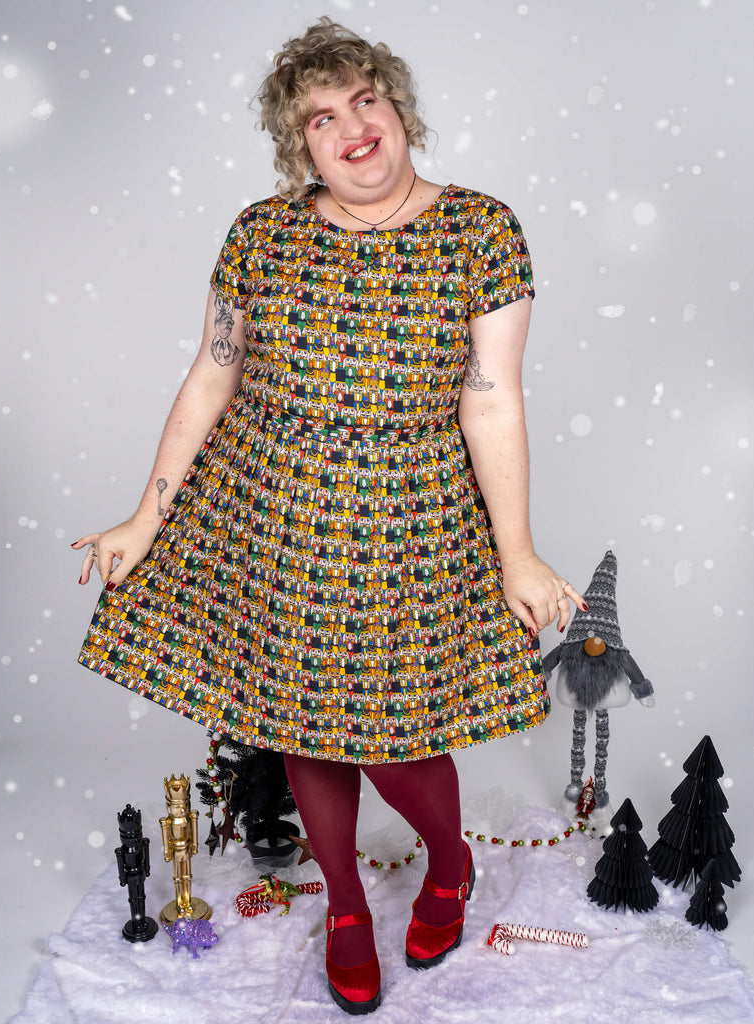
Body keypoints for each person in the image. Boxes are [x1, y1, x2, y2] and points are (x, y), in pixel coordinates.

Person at [73, 18, 585, 1015]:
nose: (350, 128)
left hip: (410, 527)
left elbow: (492, 398)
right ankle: (346, 906)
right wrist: (145, 516)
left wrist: (518, 554)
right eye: (321, 117)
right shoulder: (260, 234)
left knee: (395, 732)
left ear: (398, 109)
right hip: (271, 521)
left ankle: (448, 865)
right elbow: (211, 376)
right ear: (297, 144)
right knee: (299, 725)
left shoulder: (482, 230)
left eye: (365, 100)